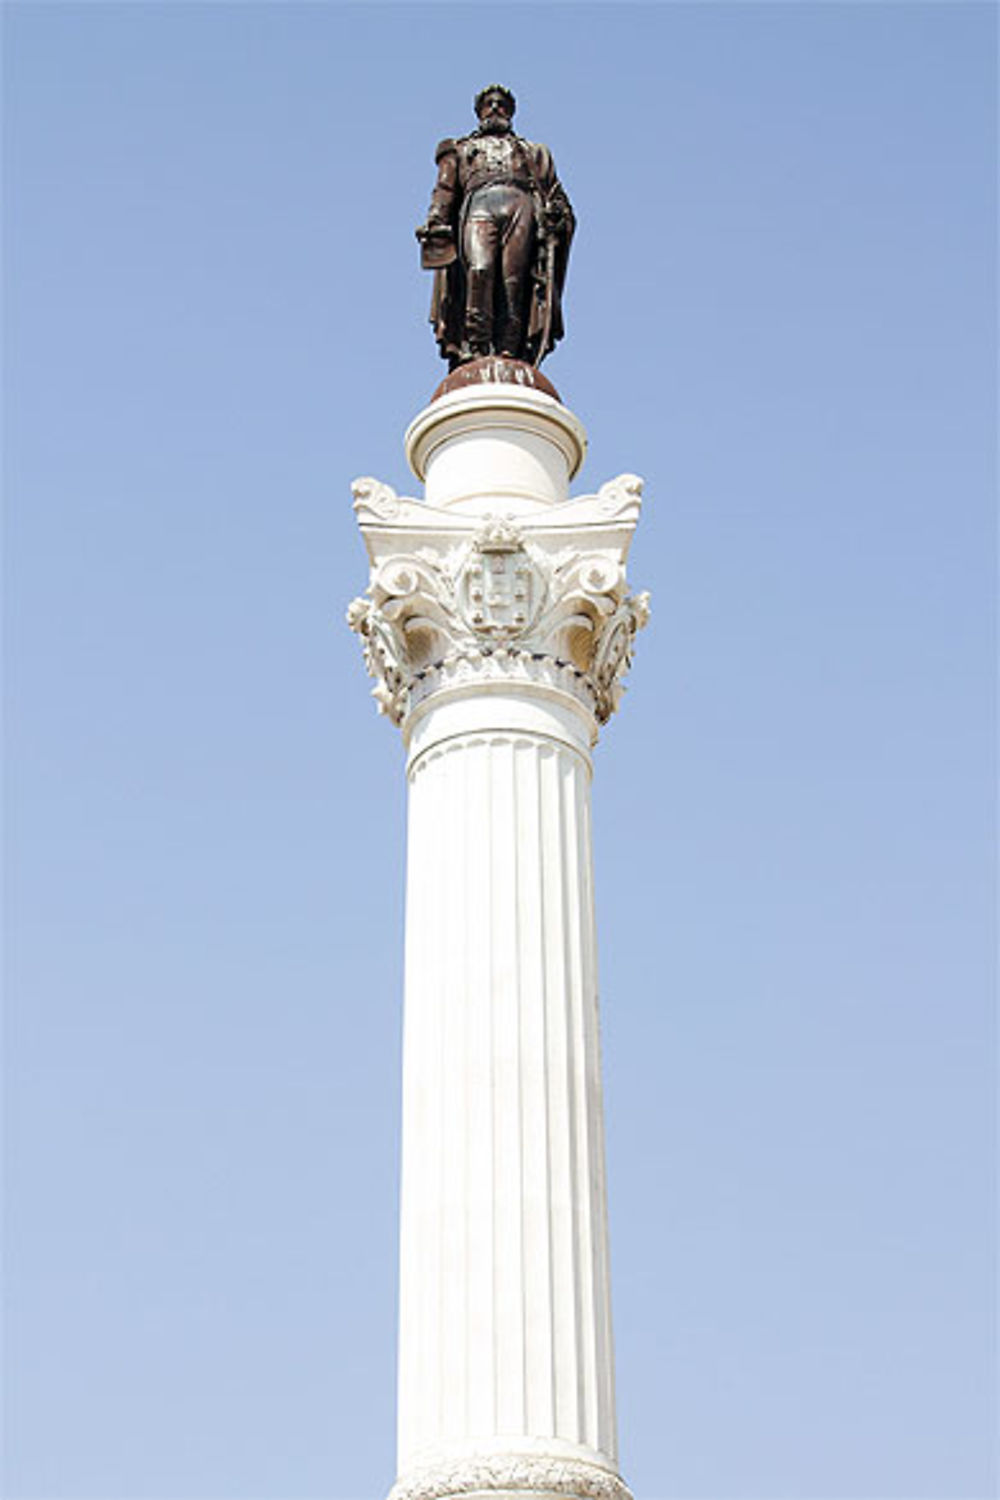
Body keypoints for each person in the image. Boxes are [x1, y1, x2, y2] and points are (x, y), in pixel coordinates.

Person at [416, 85, 575, 369]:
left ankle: (509, 348)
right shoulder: (460, 148)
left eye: (501, 104)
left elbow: (555, 194)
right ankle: (476, 348)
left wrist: (557, 214)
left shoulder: (531, 152)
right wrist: (437, 219)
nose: (494, 108)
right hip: (480, 202)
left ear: (510, 112)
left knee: (513, 279)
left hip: (520, 203)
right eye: (488, 104)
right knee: (480, 270)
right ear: (478, 112)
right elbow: (444, 189)